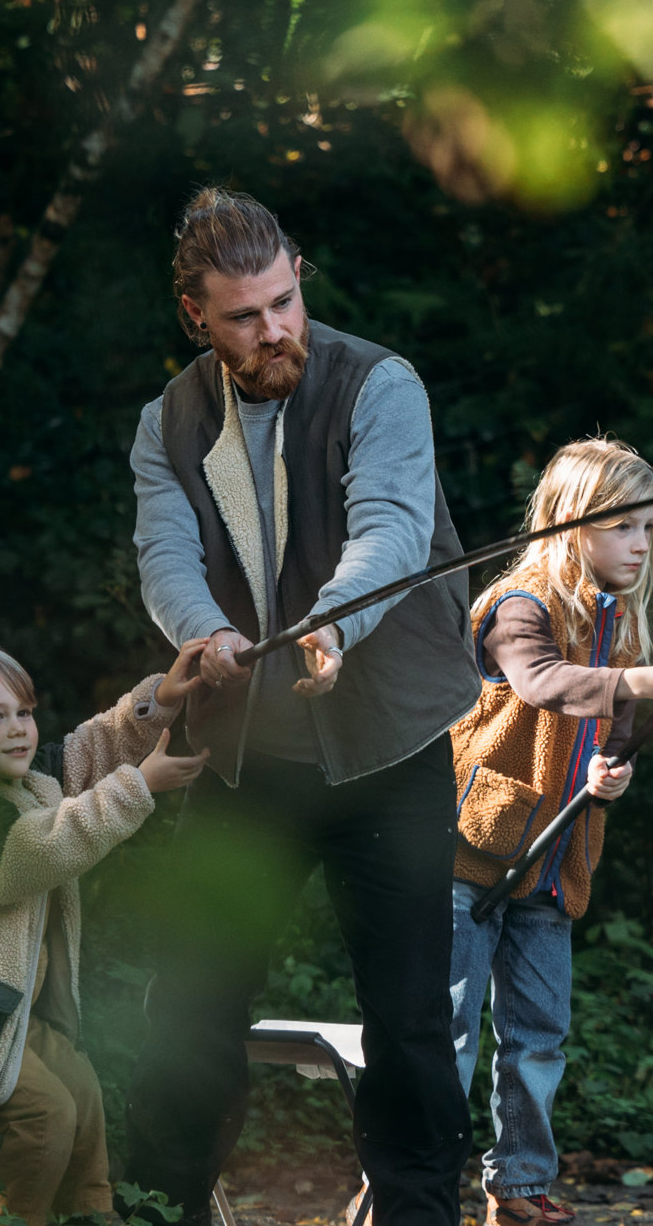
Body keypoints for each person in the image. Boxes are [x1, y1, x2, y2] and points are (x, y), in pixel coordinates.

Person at [124, 186, 479, 1226]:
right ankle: (160, 1213)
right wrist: (204, 635)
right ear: (196, 315)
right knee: (187, 1010)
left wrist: (331, 625)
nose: (275, 328)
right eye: (244, 315)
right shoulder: (166, 423)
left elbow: (391, 529)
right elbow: (163, 556)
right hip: (246, 762)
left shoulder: (382, 384)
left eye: (284, 301)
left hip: (390, 749)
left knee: (410, 1021)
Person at [446, 438, 653, 1226]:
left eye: (650, 530)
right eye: (625, 526)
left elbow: (609, 736)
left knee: (538, 1037)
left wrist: (613, 774)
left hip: (554, 862)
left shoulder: (617, 624)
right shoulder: (519, 604)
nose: (640, 545)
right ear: (573, 522)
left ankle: (519, 1186)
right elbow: (541, 682)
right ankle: (408, 1184)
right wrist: (637, 681)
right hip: (469, 855)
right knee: (448, 1036)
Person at [0, 640, 211, 1226]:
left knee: (82, 1096)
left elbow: (86, 754)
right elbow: (40, 851)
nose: (17, 730)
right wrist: (139, 787)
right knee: (46, 1115)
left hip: (5, 1010)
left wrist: (157, 700)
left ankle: (92, 1214)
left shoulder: (27, 785)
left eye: (24, 712)